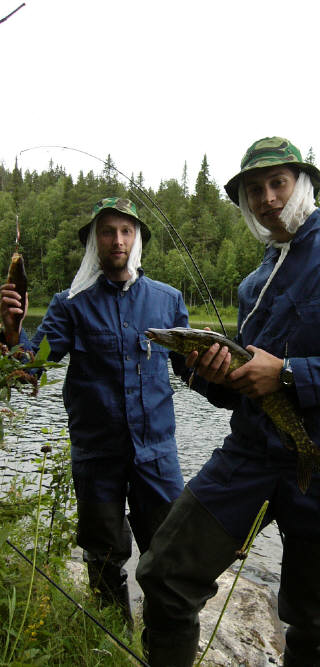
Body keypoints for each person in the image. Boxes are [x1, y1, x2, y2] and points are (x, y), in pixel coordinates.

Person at [136, 137, 320, 666]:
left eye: (277, 183)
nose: (266, 198)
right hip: (251, 456)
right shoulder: (253, 284)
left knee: (314, 621)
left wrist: (288, 374)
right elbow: (243, 391)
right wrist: (206, 373)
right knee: (164, 572)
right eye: (253, 190)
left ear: (302, 185)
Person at [0, 197, 190, 625]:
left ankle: (162, 645)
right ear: (93, 242)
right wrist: (13, 331)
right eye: (107, 231)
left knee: (169, 557)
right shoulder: (70, 303)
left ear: (137, 239)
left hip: (157, 458)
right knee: (103, 560)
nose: (118, 240)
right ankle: (111, 643)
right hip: (97, 457)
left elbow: (192, 372)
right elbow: (35, 363)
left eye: (126, 231)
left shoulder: (169, 301)